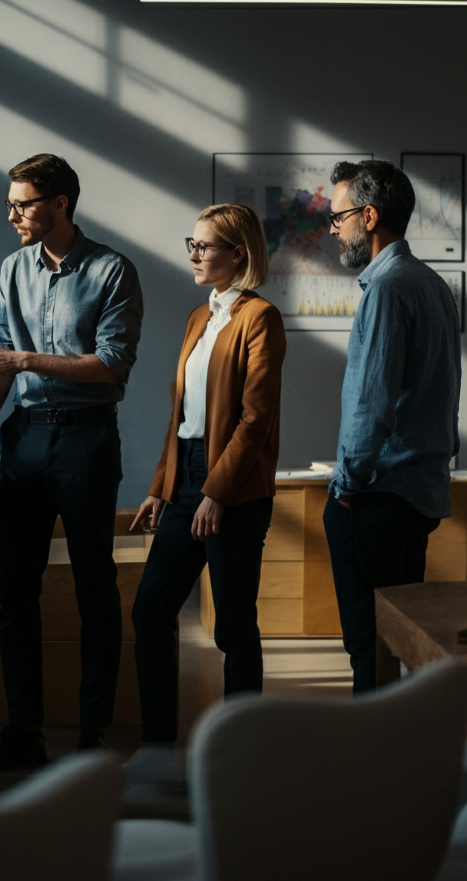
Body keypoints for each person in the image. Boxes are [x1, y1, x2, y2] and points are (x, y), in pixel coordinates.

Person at [0, 153, 143, 772]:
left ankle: (92, 735)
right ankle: (23, 729)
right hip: (24, 442)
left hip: (88, 440)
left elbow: (111, 365)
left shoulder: (113, 271)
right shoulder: (12, 269)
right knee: (13, 594)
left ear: (60, 205)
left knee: (95, 592)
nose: (12, 216)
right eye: (11, 203)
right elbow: (0, 361)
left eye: (23, 204)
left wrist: (25, 361)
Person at [127, 203, 285, 788]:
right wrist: (162, 489)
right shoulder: (200, 318)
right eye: (190, 244)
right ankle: (156, 747)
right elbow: (181, 416)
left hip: (235, 489)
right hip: (187, 478)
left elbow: (255, 419)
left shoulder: (260, 318)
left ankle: (244, 752)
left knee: (234, 628)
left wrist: (218, 492)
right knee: (151, 612)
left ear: (238, 254)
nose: (193, 254)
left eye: (204, 246)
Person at [323, 160, 461, 694]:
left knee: (369, 645)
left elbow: (370, 403)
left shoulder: (386, 288)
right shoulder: (429, 284)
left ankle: (372, 768)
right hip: (419, 494)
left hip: (377, 494)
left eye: (339, 217)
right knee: (399, 640)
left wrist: (347, 485)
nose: (334, 228)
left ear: (370, 215)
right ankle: (401, 760)